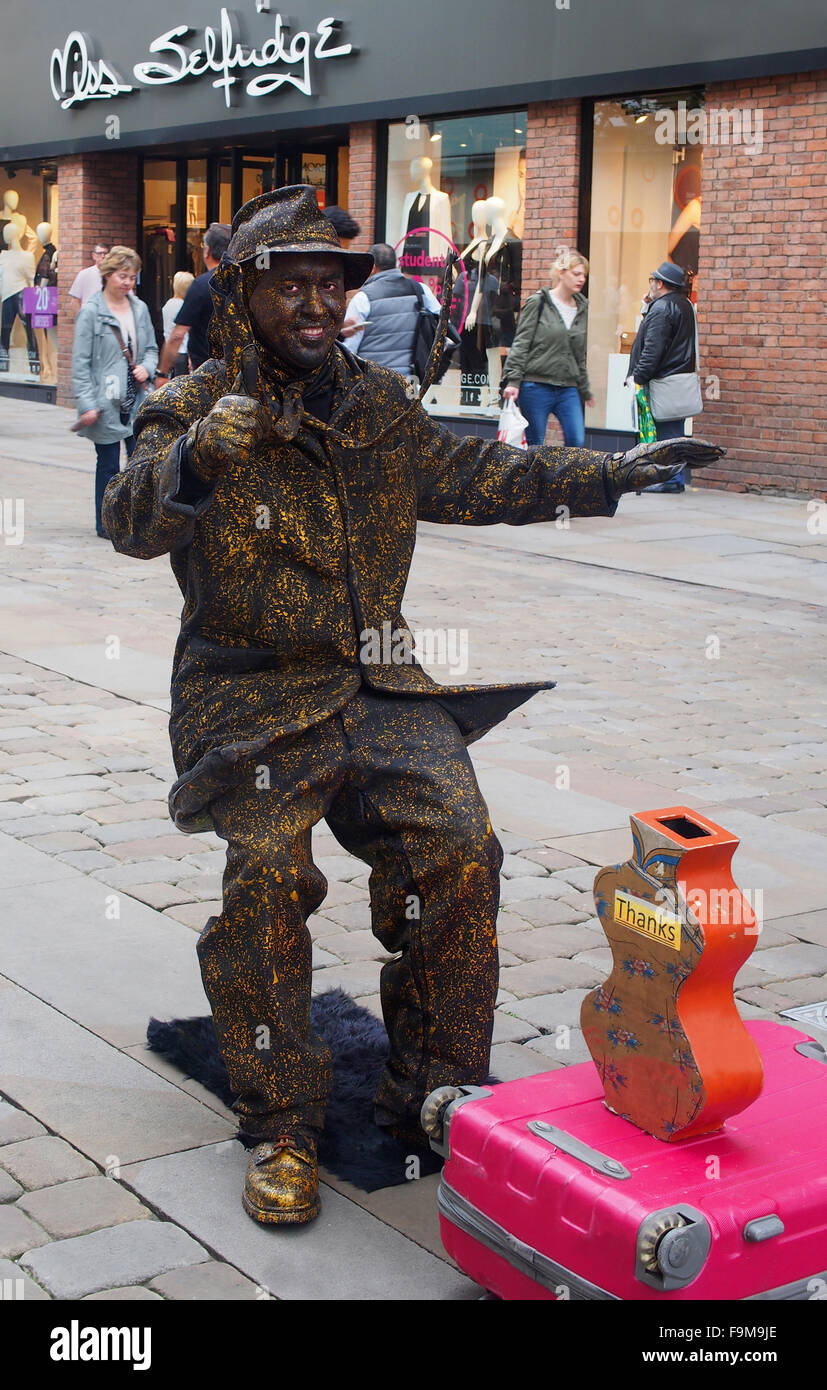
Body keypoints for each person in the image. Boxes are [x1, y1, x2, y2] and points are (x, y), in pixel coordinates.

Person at [102, 186, 721, 1228]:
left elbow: (484, 474)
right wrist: (198, 457)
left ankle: (433, 1087)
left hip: (377, 678)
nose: (314, 301)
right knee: (264, 874)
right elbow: (128, 520)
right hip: (247, 690)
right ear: (245, 291)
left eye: (329, 284)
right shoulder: (194, 401)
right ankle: (284, 1122)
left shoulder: (378, 407)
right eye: (291, 282)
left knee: (459, 844)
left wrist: (604, 472)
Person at [71, 246, 158, 537]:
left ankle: (133, 520)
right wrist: (86, 403)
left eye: (132, 277)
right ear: (107, 275)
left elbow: (150, 349)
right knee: (108, 464)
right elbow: (80, 363)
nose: (127, 283)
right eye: (122, 276)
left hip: (137, 399)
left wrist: (147, 366)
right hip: (105, 401)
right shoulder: (91, 313)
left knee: (139, 464)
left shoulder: (139, 308)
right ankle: (105, 522)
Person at [502, 249, 594, 447]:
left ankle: (565, 479)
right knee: (535, 444)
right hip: (536, 385)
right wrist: (513, 381)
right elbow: (521, 343)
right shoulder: (539, 302)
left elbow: (580, 354)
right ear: (561, 273)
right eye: (576, 274)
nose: (581, 279)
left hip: (567, 387)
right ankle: (537, 479)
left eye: (584, 275)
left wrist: (585, 390)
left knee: (576, 440)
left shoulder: (583, 307)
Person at [628, 261, 697, 492]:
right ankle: (672, 479)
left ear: (659, 283)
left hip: (662, 381)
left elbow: (652, 349)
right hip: (677, 380)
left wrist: (638, 377)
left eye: (652, 281)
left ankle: (669, 481)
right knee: (673, 433)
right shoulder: (684, 304)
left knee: (663, 435)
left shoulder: (662, 309)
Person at [340, 241, 440, 369]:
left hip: (374, 380)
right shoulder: (420, 290)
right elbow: (442, 325)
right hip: (409, 379)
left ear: (373, 267)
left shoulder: (362, 298)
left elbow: (350, 349)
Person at [155, 223, 231, 384]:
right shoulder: (245, 282)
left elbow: (177, 335)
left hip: (207, 374)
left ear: (207, 251)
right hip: (241, 375)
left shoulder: (202, 285)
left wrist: (162, 373)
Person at [162, 270, 194, 377]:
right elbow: (186, 334)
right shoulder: (184, 306)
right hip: (183, 352)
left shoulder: (167, 305)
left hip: (170, 352)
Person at [68, 241, 109, 312]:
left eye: (105, 253)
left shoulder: (114, 275)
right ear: (93, 256)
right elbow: (75, 301)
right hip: (89, 318)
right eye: (99, 253)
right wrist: (81, 319)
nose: (103, 256)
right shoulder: (84, 274)